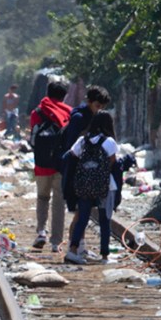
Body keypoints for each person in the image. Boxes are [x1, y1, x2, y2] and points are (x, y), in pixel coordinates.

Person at [61, 86, 112, 257]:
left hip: (87, 173)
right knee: (80, 213)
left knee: (81, 214)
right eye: (98, 105)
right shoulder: (79, 118)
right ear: (89, 102)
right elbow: (71, 149)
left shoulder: (94, 118)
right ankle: (73, 247)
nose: (100, 110)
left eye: (102, 107)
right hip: (79, 174)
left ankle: (79, 247)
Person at [27, 80, 71, 252]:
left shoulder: (37, 112)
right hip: (60, 164)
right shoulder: (69, 112)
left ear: (47, 92)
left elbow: (33, 138)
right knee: (59, 202)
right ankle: (56, 242)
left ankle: (41, 233)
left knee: (42, 197)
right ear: (64, 95)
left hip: (41, 163)